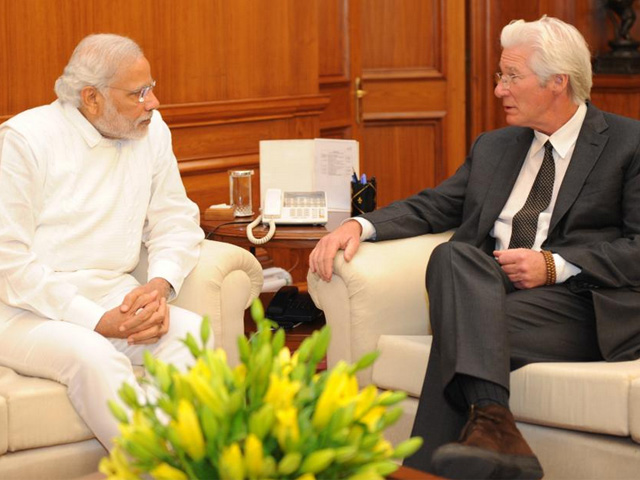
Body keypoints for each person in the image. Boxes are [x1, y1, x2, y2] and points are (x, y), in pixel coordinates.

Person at [310, 16, 640, 480]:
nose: (499, 90)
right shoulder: (496, 146)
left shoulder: (629, 144)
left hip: (581, 305)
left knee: (458, 332)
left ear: (557, 82)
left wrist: (555, 265)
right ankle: (494, 424)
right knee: (451, 256)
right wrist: (361, 226)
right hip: (491, 292)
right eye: (498, 77)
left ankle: (428, 468)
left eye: (511, 77)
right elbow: (434, 205)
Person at [0, 34, 211, 450]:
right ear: (91, 98)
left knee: (193, 335)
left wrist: (159, 286)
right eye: (139, 93)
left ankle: (167, 462)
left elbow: (175, 217)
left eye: (151, 88)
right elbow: (8, 261)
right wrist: (95, 321)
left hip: (116, 295)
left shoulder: (150, 130)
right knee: (94, 356)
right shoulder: (25, 139)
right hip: (23, 309)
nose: (153, 103)